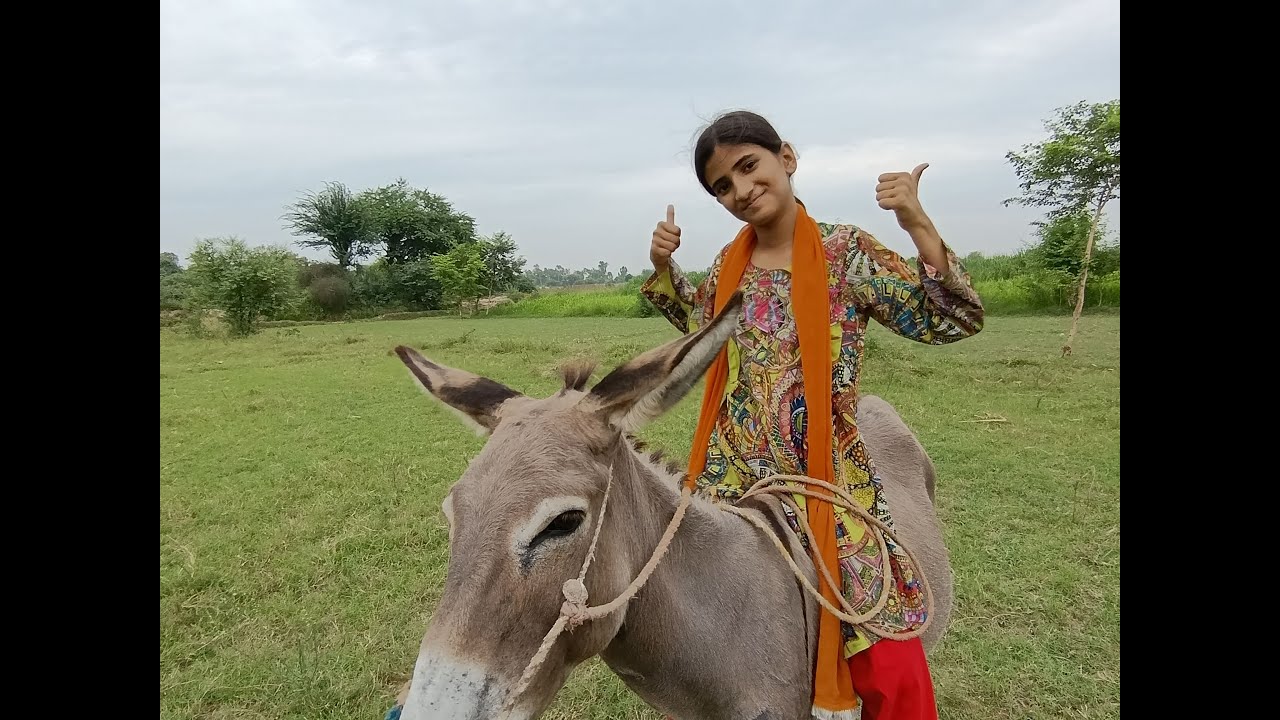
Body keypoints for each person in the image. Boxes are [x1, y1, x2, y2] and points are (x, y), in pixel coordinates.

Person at [641, 109, 984, 720]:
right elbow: (704, 329)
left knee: (884, 639)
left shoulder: (845, 253)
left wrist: (915, 221)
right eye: (722, 185)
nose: (741, 190)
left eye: (749, 167)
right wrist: (665, 270)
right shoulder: (727, 266)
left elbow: (952, 320)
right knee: (681, 605)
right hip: (732, 473)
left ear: (787, 158)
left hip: (826, 478)